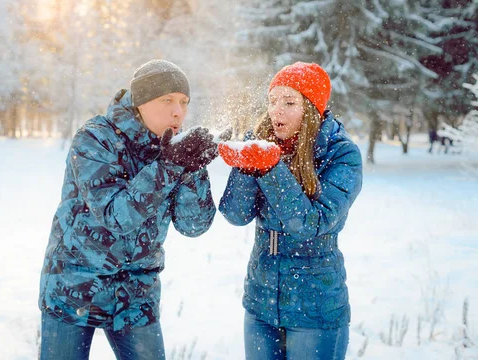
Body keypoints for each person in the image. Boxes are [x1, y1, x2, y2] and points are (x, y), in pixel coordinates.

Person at [39, 59, 218, 360]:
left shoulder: (172, 148)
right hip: (75, 285)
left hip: (136, 293)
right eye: (168, 100)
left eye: (184, 102)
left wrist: (193, 170)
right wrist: (170, 165)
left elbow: (194, 225)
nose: (179, 111)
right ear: (141, 102)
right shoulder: (95, 138)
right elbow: (114, 215)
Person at [218, 62, 363, 360]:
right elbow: (236, 215)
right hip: (261, 304)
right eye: (272, 101)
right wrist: (247, 167)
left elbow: (310, 224)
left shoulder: (343, 154)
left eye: (289, 102)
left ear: (311, 108)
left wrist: (271, 168)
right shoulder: (262, 141)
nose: (276, 111)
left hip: (315, 310)